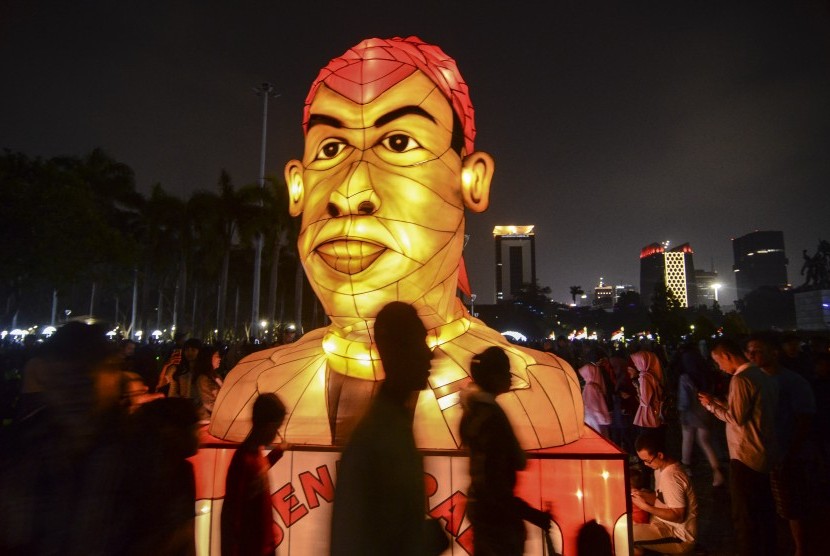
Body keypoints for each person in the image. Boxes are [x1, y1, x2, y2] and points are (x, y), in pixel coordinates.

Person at [209, 36, 583, 451]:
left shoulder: (540, 390)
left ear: (471, 181)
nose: (349, 191)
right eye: (331, 148)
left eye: (399, 142)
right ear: (297, 187)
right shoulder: (250, 388)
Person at [330, 301, 441, 556]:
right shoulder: (378, 437)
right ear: (396, 351)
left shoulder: (393, 425)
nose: (430, 354)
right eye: (419, 343)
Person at [459, 346, 552, 555]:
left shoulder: (474, 411)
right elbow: (493, 481)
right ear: (494, 377)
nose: (510, 377)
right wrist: (527, 512)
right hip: (497, 518)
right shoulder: (491, 418)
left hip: (486, 512)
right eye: (506, 371)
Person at [698, 337, 778, 556]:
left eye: (718, 361)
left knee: (745, 516)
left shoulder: (741, 379)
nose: (719, 366)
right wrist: (716, 401)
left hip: (746, 455)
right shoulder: (761, 375)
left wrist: (711, 407)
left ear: (726, 355)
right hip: (763, 452)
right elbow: (748, 411)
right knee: (763, 511)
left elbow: (737, 418)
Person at [745, 331, 816, 556]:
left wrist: (792, 450)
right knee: (768, 505)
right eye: (749, 352)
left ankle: (800, 549)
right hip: (761, 454)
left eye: (758, 351)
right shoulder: (753, 380)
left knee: (793, 505)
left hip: (787, 452)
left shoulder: (792, 381)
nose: (753, 355)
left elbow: (805, 418)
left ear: (774, 352)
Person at [221, 393, 287, 556]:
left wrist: (278, 452)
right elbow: (232, 515)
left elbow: (259, 471)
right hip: (253, 549)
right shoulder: (244, 461)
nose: (277, 433)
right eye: (277, 427)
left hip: (263, 548)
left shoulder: (253, 454)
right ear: (268, 425)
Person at [631, 430, 698, 555]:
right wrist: (640, 495)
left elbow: (678, 516)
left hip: (678, 536)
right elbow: (660, 497)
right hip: (661, 523)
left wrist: (645, 506)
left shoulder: (672, 477)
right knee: (628, 529)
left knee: (627, 536)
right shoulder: (660, 468)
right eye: (642, 461)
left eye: (647, 461)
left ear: (660, 455)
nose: (645, 465)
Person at [674, 342, 725, 487]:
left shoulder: (685, 377)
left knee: (687, 439)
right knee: (705, 441)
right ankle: (717, 470)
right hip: (704, 410)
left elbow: (684, 401)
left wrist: (681, 412)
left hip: (690, 412)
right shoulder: (706, 374)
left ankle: (686, 467)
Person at [578, 349, 612, 438]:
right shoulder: (595, 385)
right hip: (596, 419)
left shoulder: (590, 387)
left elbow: (591, 405)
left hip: (592, 419)